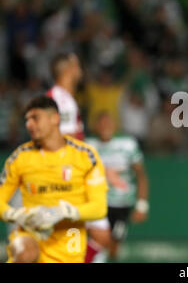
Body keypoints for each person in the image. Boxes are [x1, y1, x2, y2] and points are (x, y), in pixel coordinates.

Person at [0, 96, 108, 262]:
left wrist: (65, 212)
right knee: (25, 252)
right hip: (32, 235)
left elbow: (99, 208)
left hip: (70, 239)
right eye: (27, 119)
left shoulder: (85, 155)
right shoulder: (20, 157)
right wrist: (17, 215)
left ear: (55, 118)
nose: (29, 124)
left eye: (35, 118)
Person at [46, 52, 111, 262]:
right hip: (67, 179)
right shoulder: (60, 100)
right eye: (76, 64)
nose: (80, 68)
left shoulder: (66, 99)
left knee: (99, 236)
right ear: (69, 70)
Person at [85, 112, 149, 261]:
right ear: (95, 127)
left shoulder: (127, 145)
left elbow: (141, 175)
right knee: (99, 240)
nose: (105, 127)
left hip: (122, 205)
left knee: (114, 247)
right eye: (101, 123)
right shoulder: (88, 146)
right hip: (99, 203)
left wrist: (142, 205)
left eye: (108, 123)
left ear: (115, 125)